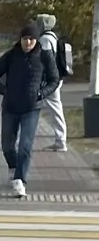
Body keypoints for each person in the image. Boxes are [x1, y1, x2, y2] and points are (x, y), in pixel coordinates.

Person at [0, 21, 58, 198]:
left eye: (32, 39)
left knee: (25, 145)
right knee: (7, 146)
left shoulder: (44, 56)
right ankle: (13, 167)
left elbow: (54, 80)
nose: (28, 42)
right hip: (10, 107)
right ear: (20, 40)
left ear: (37, 40)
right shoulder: (11, 56)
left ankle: (20, 180)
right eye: (25, 39)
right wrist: (5, 91)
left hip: (31, 108)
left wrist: (42, 93)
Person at [35, 14, 70, 153]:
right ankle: (60, 140)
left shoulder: (44, 40)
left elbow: (45, 60)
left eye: (38, 22)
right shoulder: (53, 37)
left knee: (54, 108)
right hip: (55, 78)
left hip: (49, 80)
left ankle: (61, 141)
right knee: (54, 107)